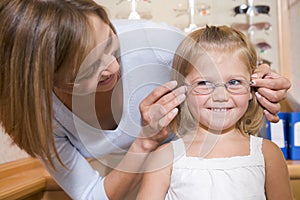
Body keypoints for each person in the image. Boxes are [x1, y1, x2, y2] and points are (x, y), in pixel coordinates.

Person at [0, 0, 291, 199]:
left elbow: (224, 63)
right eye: (90, 68)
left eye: (110, 45)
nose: (113, 66)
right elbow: (91, 195)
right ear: (46, 80)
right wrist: (145, 143)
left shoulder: (155, 43)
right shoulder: (38, 116)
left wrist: (261, 78)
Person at [137, 25, 293, 200]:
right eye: (204, 83)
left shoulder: (268, 154)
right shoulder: (164, 158)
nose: (220, 96)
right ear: (182, 90)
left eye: (234, 82)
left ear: (252, 88)